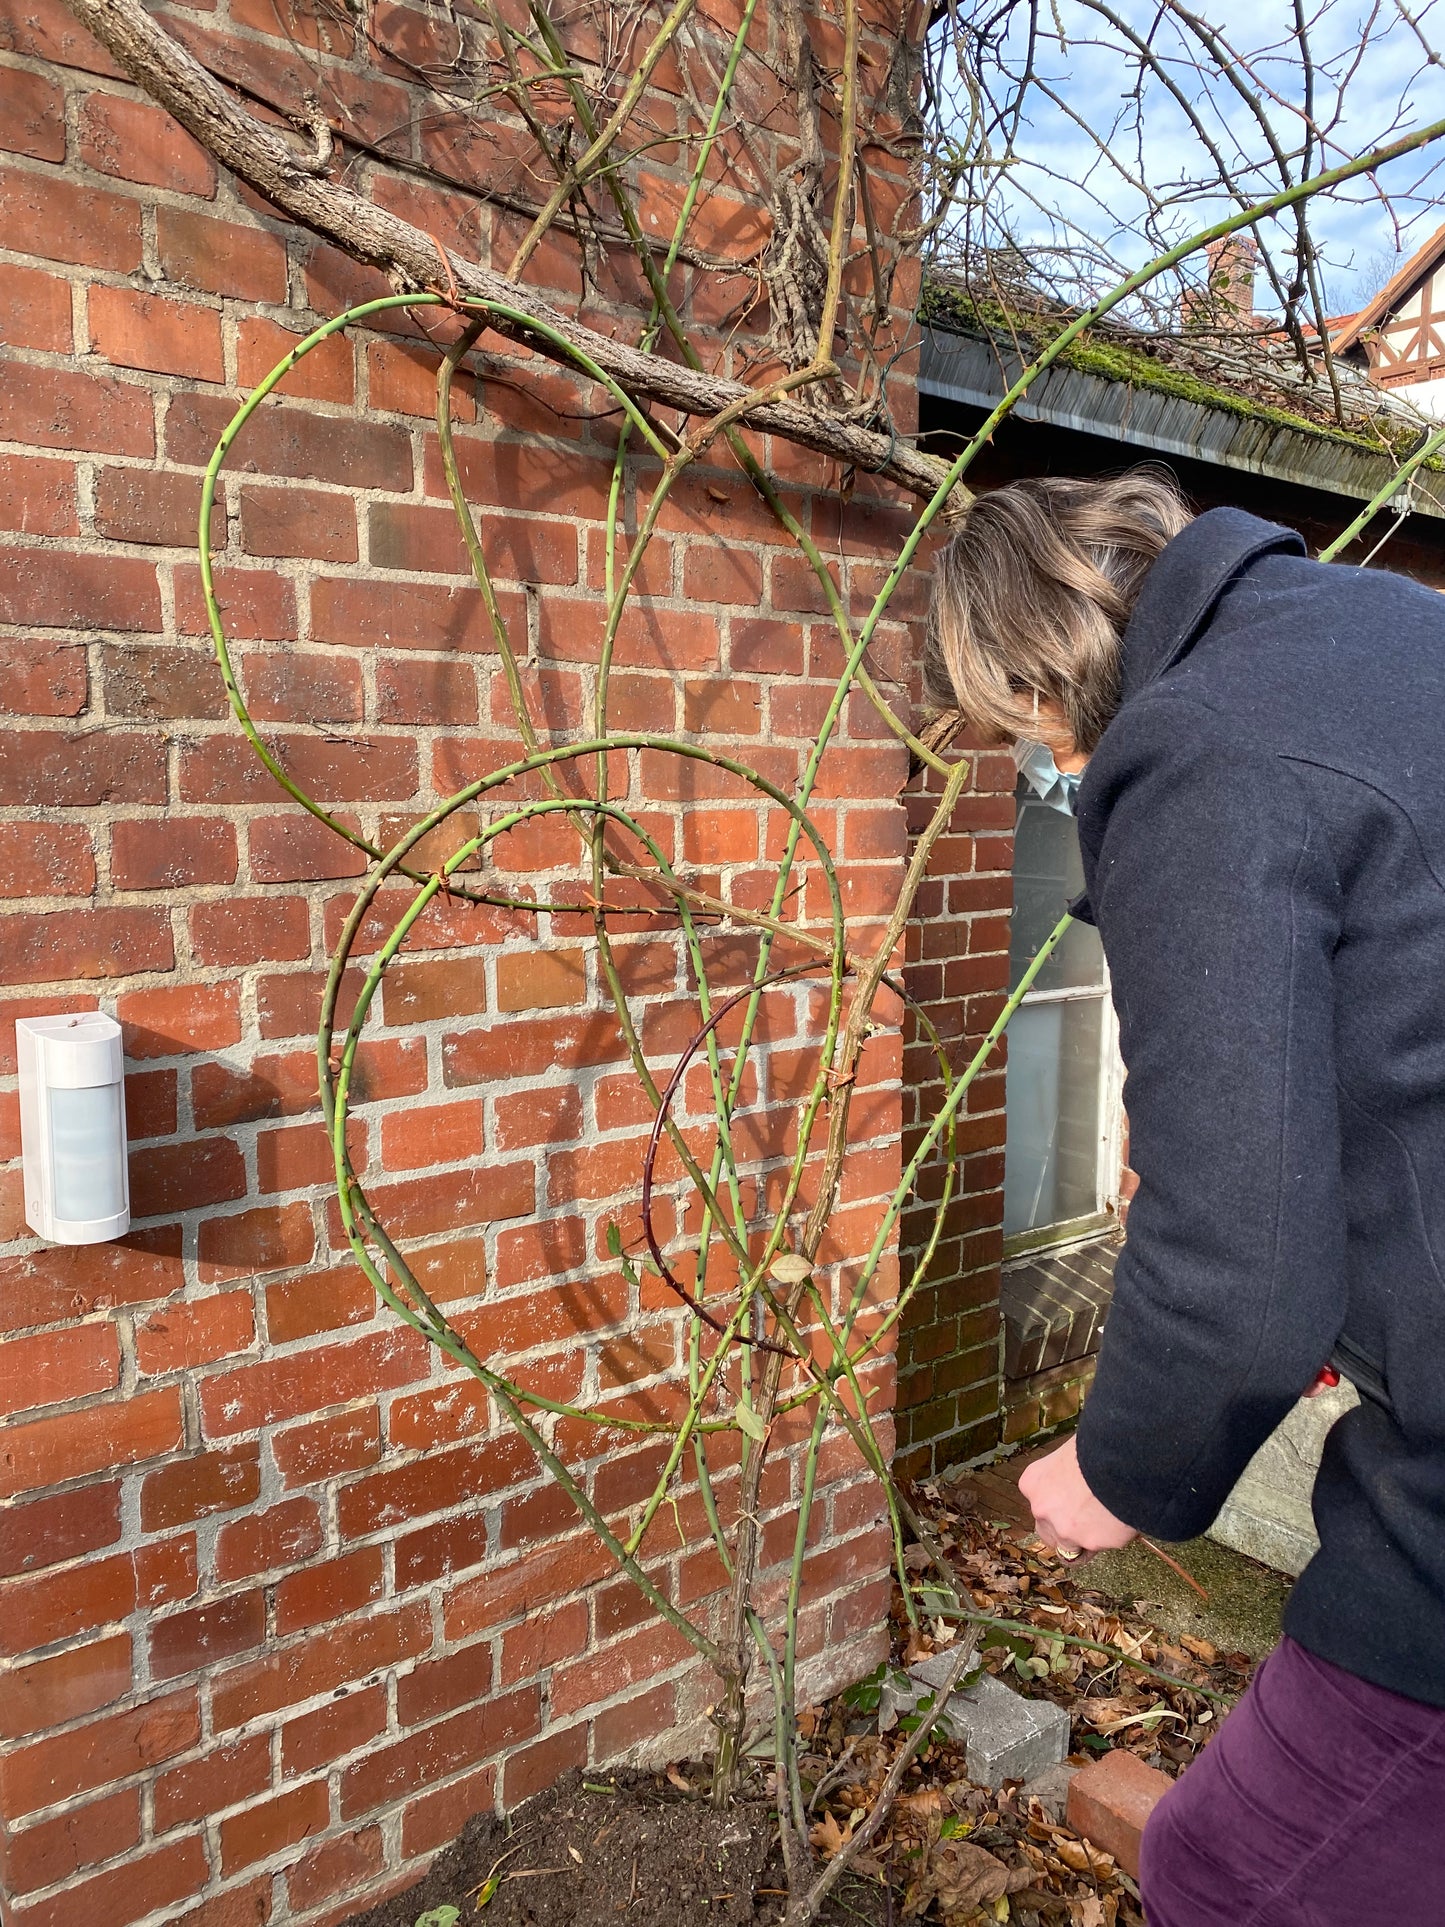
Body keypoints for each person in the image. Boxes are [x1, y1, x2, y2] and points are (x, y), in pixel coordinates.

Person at [924, 469, 1445, 1927]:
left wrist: (1112, 1471)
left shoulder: (1198, 743)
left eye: (1024, 735)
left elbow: (1234, 1269)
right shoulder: (1389, 633)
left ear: (1036, 667)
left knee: (1234, 1871)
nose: (1050, 769)